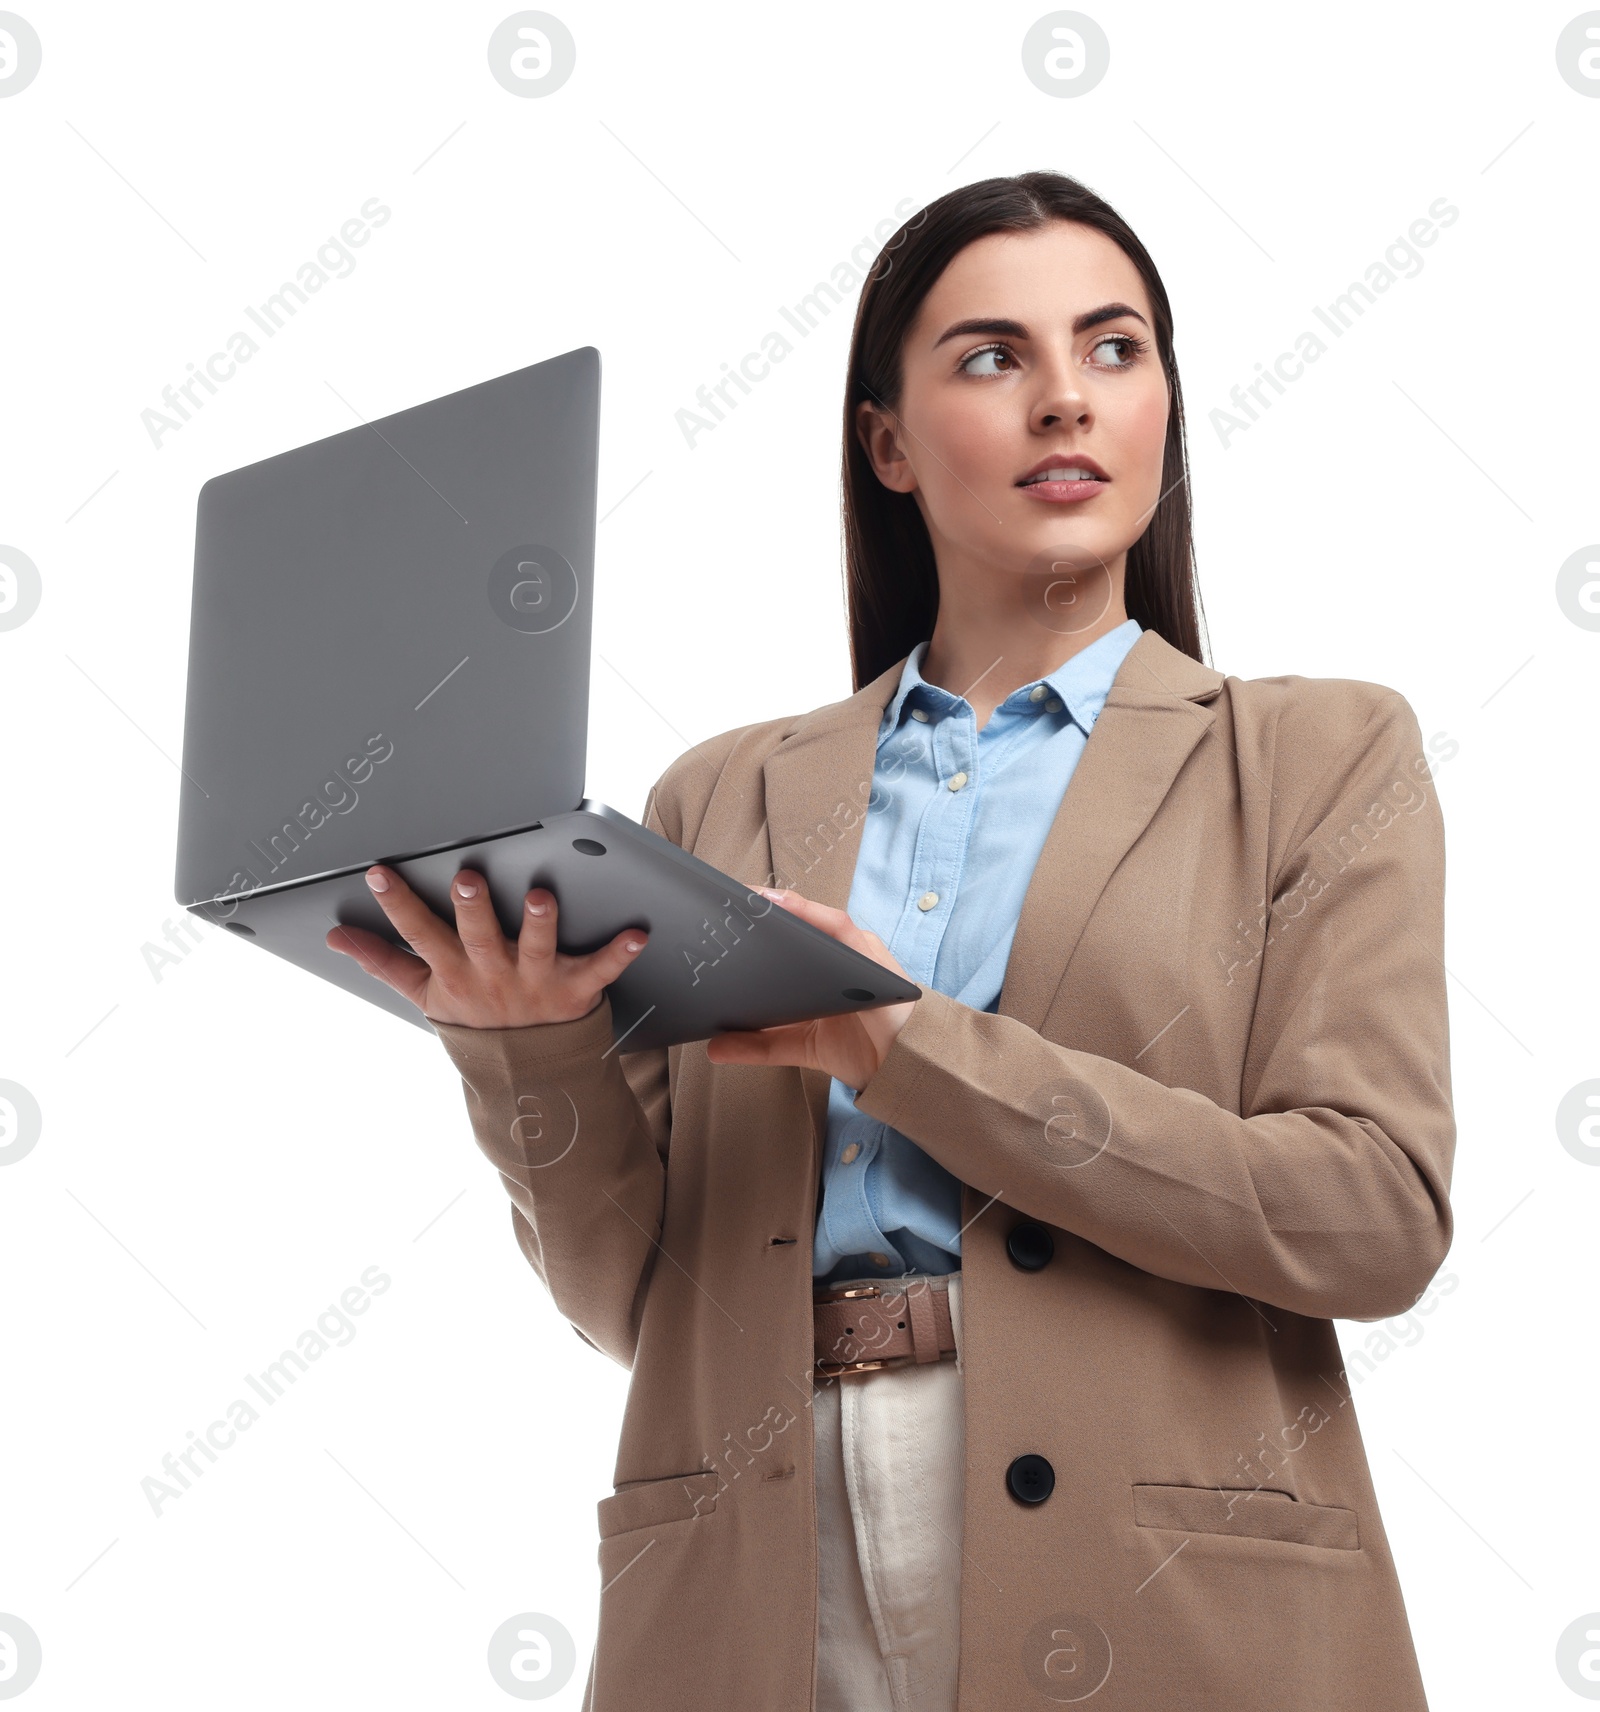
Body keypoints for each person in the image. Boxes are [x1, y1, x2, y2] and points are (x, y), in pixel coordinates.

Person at [327, 171, 1455, 1712]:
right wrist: (521, 1049)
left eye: (1115, 349)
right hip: (753, 1559)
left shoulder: (1318, 756)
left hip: (1161, 1571)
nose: (1068, 398)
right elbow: (634, 1305)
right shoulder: (720, 794)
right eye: (994, 358)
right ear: (888, 444)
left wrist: (905, 1048)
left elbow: (1373, 1216)